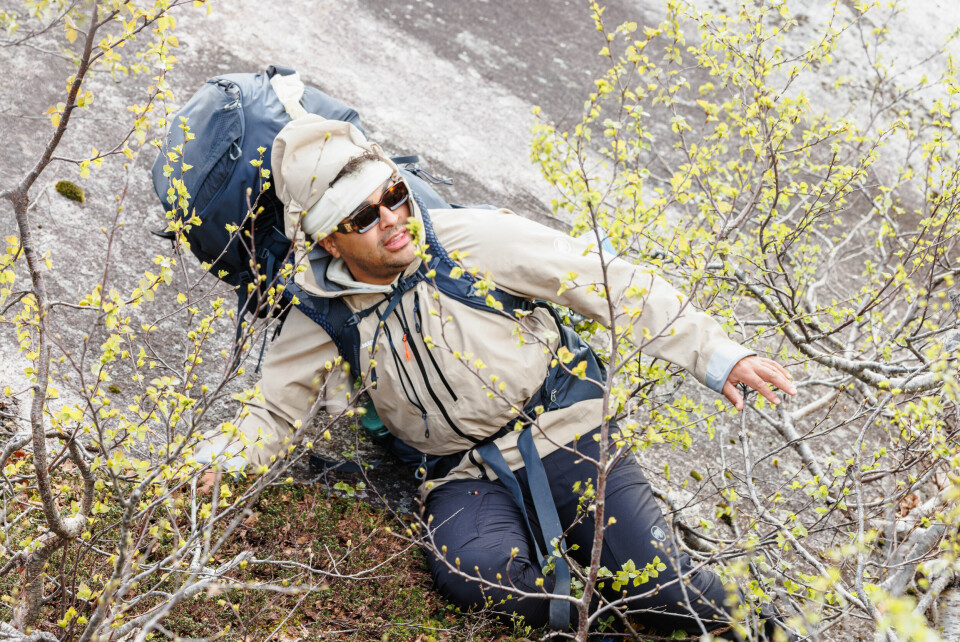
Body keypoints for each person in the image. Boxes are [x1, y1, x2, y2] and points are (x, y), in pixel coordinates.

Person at [197, 114, 796, 637]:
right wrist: (214, 464)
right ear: (329, 237)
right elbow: (273, 411)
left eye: (396, 195)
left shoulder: (473, 241)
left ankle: (768, 630)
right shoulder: (321, 310)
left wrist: (718, 357)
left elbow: (610, 285)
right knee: (474, 576)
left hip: (571, 431)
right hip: (463, 472)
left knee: (664, 583)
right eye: (364, 216)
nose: (394, 219)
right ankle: (598, 615)